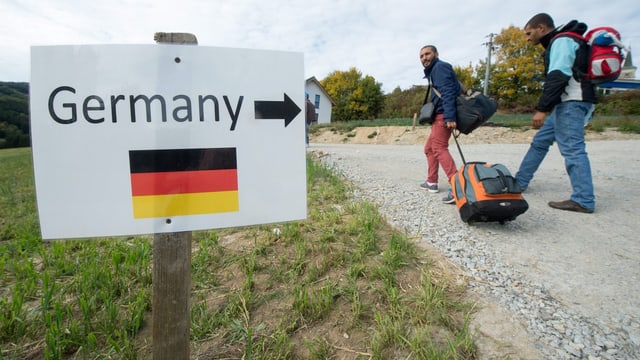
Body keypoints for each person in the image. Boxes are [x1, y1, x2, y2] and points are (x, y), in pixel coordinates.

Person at [515, 13, 597, 213]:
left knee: (572, 149)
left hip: (572, 103)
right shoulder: (564, 40)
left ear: (541, 28)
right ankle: (519, 183)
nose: (527, 38)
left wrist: (542, 109)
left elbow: (558, 76)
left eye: (529, 33)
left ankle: (583, 200)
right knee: (540, 142)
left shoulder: (562, 41)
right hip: (566, 104)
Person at [418, 45, 461, 204]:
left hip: (444, 115)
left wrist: (450, 116)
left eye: (427, 54)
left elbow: (448, 91)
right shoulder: (435, 70)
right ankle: (431, 181)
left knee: (438, 148)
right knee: (429, 148)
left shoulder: (440, 68)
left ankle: (458, 188)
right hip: (440, 115)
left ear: (436, 54)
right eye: (421, 56)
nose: (424, 58)